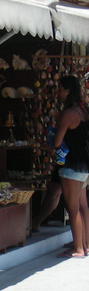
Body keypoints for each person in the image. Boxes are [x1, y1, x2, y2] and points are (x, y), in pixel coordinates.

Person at [53, 75, 89, 258]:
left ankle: (78, 248)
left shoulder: (68, 114)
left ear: (67, 91)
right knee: (83, 206)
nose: (58, 93)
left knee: (73, 207)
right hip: (84, 165)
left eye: (60, 89)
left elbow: (57, 142)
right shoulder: (84, 111)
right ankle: (86, 244)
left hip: (70, 165)